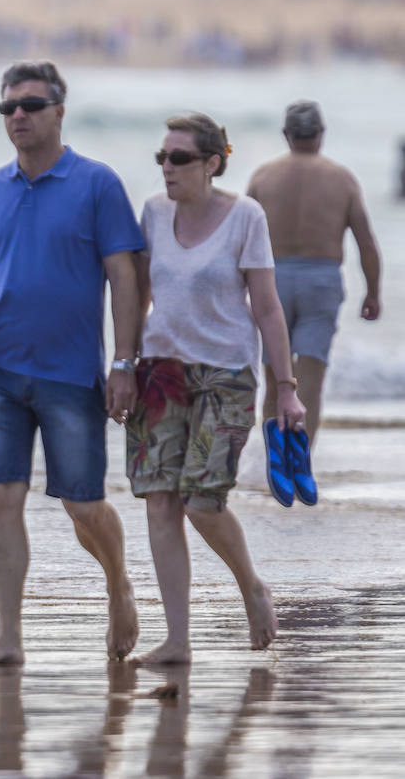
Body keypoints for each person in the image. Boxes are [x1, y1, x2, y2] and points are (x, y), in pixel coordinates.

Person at [0, 61, 143, 665]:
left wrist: (124, 363)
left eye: (31, 105)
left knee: (82, 504)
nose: (18, 116)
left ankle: (119, 583)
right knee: (2, 498)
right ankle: (8, 636)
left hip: (70, 374)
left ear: (60, 110)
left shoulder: (97, 184)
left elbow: (125, 279)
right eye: (8, 108)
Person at [127, 113, 306, 664]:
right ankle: (177, 640)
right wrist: (120, 364)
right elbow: (136, 297)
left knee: (202, 500)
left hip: (225, 374)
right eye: (161, 157)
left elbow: (267, 306)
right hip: (160, 372)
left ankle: (251, 585)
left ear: (212, 163)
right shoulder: (153, 214)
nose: (166, 168)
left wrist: (287, 387)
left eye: (178, 158)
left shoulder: (246, 216)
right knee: (159, 503)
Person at [247, 100, 381, 444]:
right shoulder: (342, 179)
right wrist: (373, 293)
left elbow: (240, 237)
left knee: (276, 374)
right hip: (321, 281)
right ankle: (302, 458)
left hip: (271, 280)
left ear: (285, 134)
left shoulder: (263, 176)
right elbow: (365, 242)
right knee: (311, 376)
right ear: (320, 134)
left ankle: (273, 459)